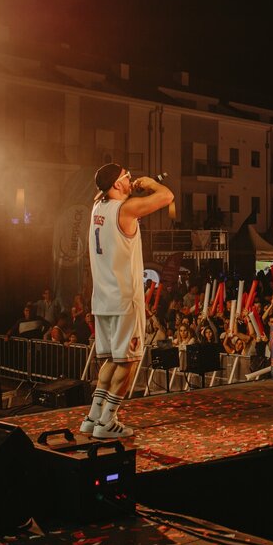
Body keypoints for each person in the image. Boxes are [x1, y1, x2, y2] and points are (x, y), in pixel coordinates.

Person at [80, 164, 173, 439]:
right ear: (117, 184)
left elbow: (105, 194)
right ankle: (108, 420)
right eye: (127, 177)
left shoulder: (97, 208)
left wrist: (130, 188)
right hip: (124, 298)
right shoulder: (125, 210)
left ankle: (93, 417)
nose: (131, 179)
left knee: (111, 359)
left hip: (103, 298)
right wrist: (151, 184)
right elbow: (167, 196)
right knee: (128, 361)